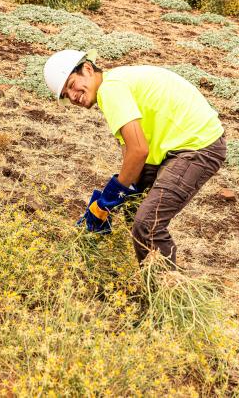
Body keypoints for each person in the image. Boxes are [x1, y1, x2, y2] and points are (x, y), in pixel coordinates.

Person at [43, 49, 226, 268]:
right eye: (66, 95)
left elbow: (139, 151)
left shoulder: (110, 90)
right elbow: (130, 149)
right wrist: (122, 191)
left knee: (147, 223)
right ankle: (132, 268)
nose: (73, 96)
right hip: (174, 147)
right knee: (132, 206)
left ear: (88, 69)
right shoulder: (114, 83)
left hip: (197, 146)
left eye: (72, 85)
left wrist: (109, 197)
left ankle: (167, 292)